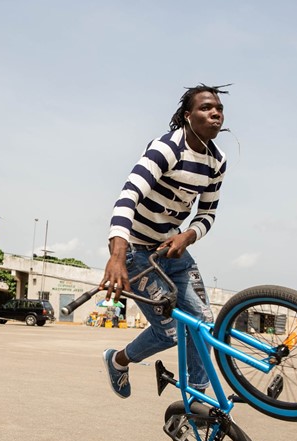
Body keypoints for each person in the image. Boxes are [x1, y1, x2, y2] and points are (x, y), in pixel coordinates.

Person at [100, 83, 230, 399]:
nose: (215, 112)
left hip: (171, 250)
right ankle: (118, 360)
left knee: (202, 323)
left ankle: (197, 399)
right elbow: (128, 196)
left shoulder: (217, 161)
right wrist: (117, 256)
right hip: (136, 252)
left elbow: (207, 215)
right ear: (188, 116)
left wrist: (187, 235)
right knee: (170, 332)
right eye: (205, 108)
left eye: (219, 108)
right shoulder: (166, 149)